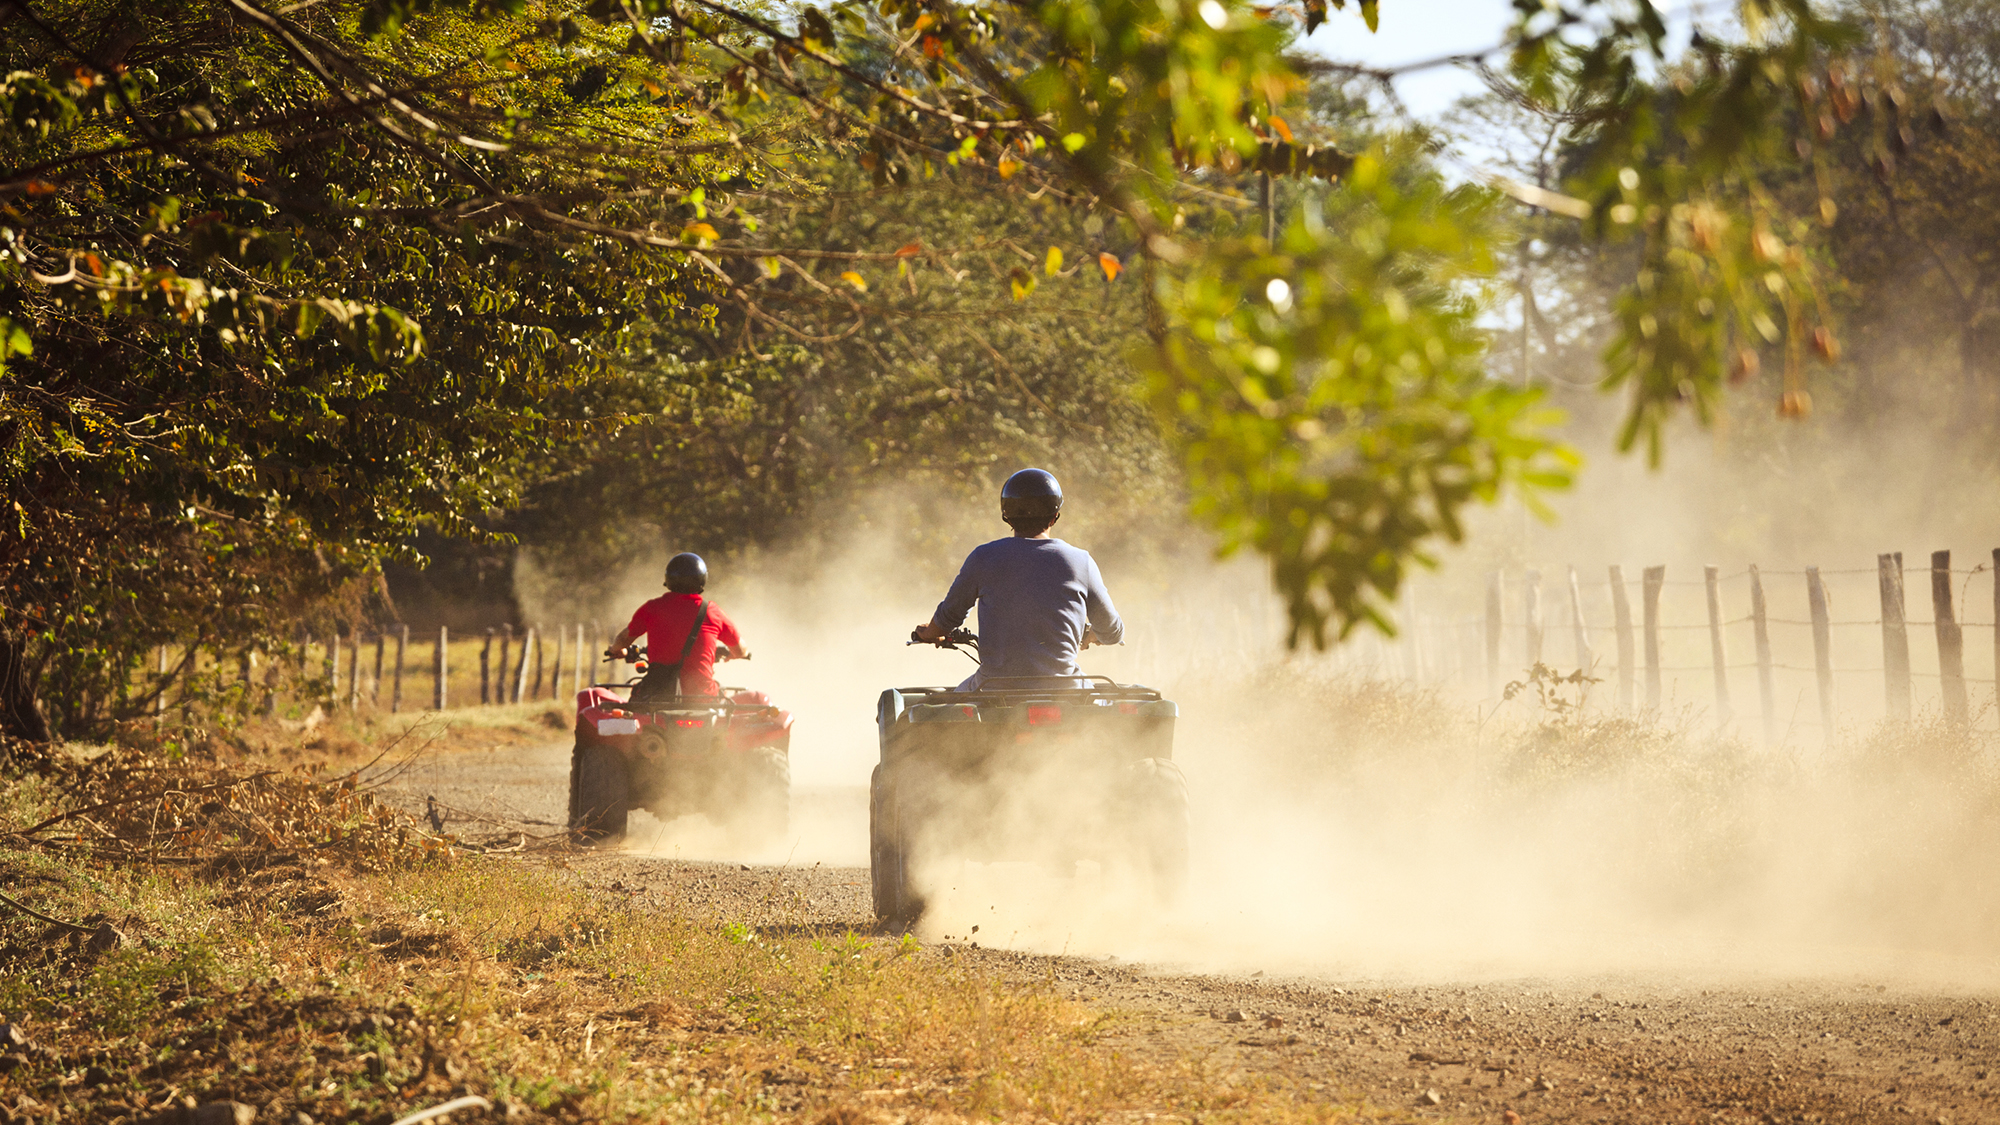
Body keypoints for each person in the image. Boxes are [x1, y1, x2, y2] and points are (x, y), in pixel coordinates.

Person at [914, 468, 1124, 690]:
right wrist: (1092, 635)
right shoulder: (1081, 561)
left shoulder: (983, 557)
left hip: (993, 690)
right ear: (1055, 516)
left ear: (1007, 516)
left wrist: (929, 633)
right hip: (1065, 691)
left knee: (944, 717)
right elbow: (1111, 631)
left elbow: (949, 617)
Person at [607, 552, 748, 703]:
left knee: (635, 704)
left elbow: (623, 639)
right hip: (703, 696)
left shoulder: (652, 608)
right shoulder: (712, 611)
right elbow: (741, 650)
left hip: (657, 694)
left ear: (668, 579)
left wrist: (617, 650)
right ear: (702, 580)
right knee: (724, 703)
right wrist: (733, 654)